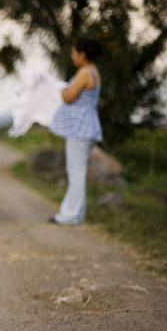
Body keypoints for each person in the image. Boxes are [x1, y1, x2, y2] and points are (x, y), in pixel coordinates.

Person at [48, 37, 103, 225]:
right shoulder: (94, 71)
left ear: (82, 54)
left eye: (74, 52)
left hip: (80, 128)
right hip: (87, 126)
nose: (72, 56)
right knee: (78, 172)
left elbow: (69, 96)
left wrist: (62, 90)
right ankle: (76, 214)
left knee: (76, 173)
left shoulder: (85, 72)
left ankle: (69, 215)